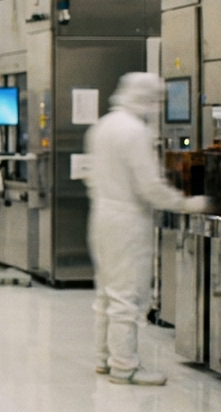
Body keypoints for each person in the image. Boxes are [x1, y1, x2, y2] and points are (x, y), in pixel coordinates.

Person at [84, 72, 209, 386]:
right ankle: (125, 366)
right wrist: (187, 204)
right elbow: (149, 186)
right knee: (128, 294)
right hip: (128, 220)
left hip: (102, 214)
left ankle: (103, 359)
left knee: (107, 291)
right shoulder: (134, 131)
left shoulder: (102, 126)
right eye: (157, 100)